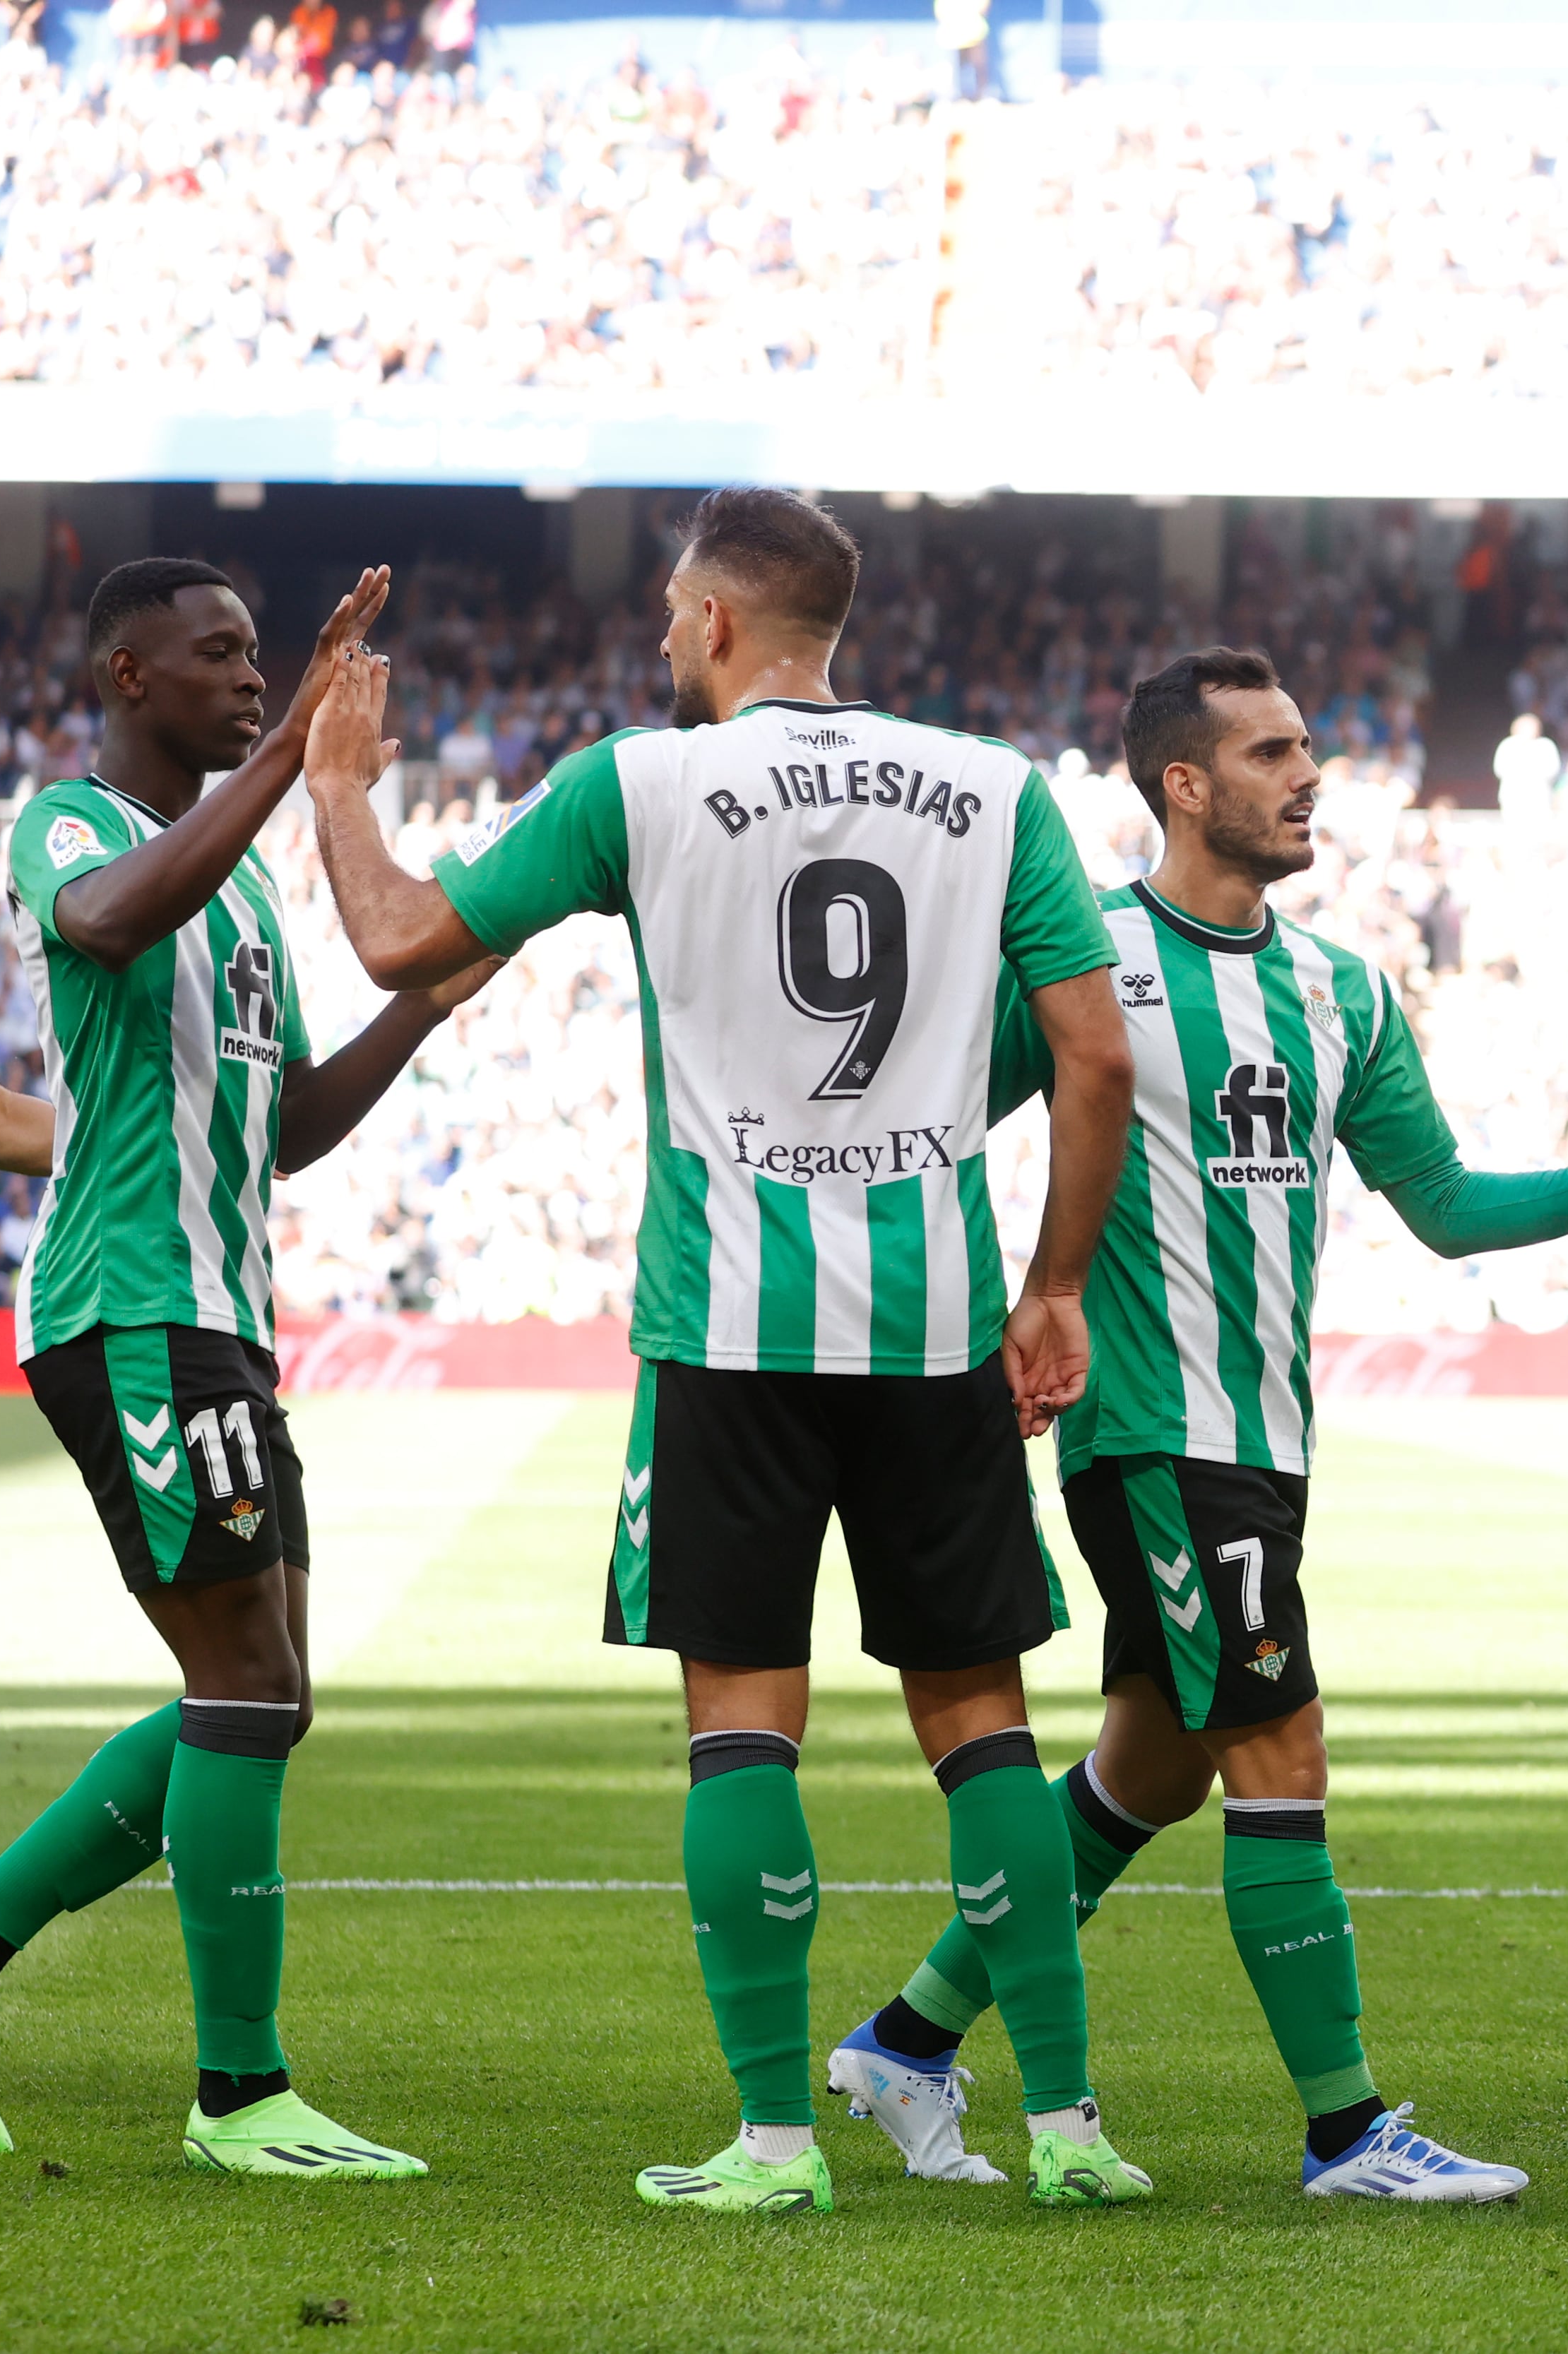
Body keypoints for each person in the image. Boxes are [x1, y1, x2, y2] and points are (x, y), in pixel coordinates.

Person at [295, 489, 1150, 2219]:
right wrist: (1052, 1283)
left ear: (704, 620)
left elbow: (400, 945)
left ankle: (771, 2144)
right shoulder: (997, 788)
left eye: (672, 622)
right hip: (928, 1324)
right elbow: (1096, 1059)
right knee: (984, 1724)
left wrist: (334, 786)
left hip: (730, 1326)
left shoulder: (639, 783)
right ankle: (1063, 2127)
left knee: (740, 1728)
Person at [833, 648, 1568, 2203]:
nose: (1309, 773)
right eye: (1270, 751)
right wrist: (1005, 1315)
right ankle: (1348, 2129)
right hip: (1155, 1432)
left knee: (1152, 1768)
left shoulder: (1343, 986)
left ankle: (907, 2037)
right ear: (1184, 780)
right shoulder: (1077, 955)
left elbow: (1440, 1204)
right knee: (1278, 1740)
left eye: (1309, 745)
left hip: (1272, 1438)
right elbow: (918, 1128)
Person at [0, 560, 497, 2179]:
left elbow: (281, 1132)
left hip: (221, 1314)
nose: (247, 674)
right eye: (217, 657)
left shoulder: (257, 900)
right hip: (129, 1310)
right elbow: (109, 919)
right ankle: (237, 2092)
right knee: (240, 1688)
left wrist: (417, 1006)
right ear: (127, 673)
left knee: (266, 1697)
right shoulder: (70, 822)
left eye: (258, 658)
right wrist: (298, 754)